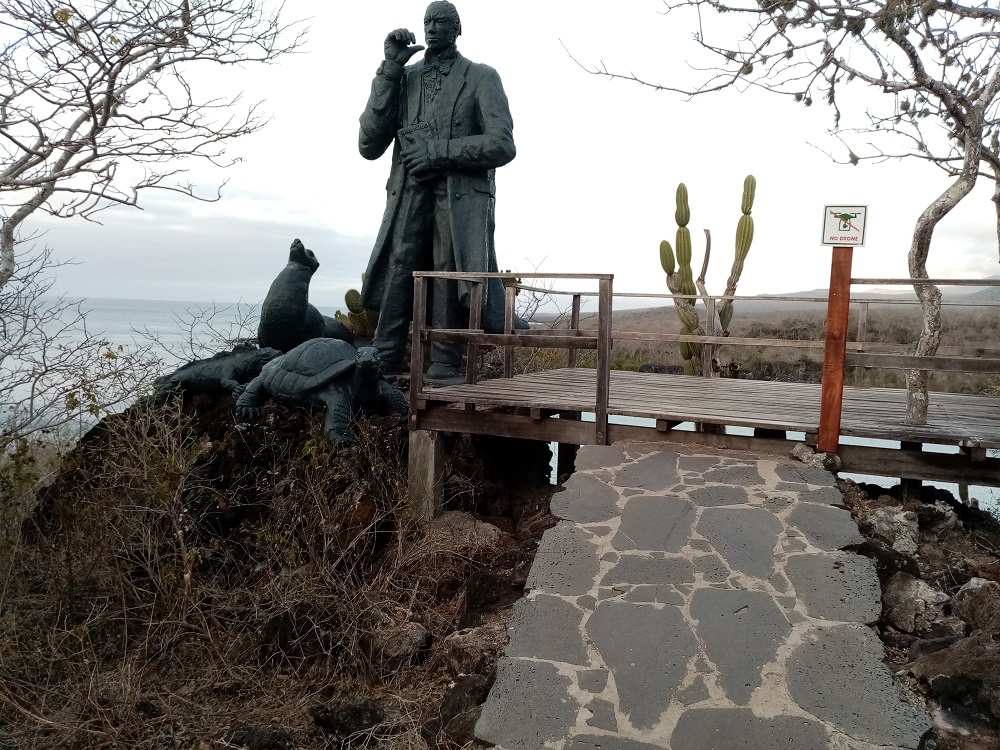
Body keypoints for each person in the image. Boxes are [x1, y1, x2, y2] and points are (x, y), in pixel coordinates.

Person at [358, 1, 517, 380]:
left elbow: (502, 144)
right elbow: (368, 144)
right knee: (400, 263)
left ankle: (445, 361)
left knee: (448, 267)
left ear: (457, 28)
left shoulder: (481, 77)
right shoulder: (404, 79)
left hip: (458, 196)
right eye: (427, 21)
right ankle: (384, 356)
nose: (431, 28)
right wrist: (390, 69)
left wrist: (438, 152)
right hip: (408, 193)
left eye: (441, 21)